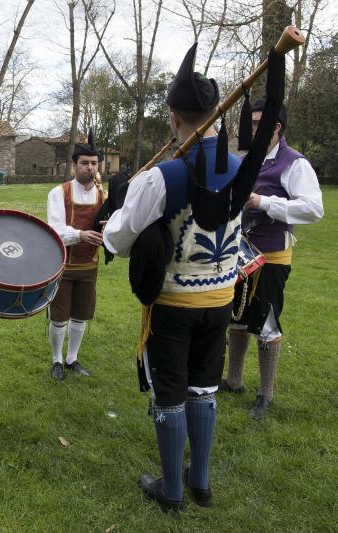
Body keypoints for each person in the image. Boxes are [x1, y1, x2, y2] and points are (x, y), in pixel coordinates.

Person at [103, 43, 285, 512]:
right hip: (220, 300)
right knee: (204, 387)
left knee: (170, 391)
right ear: (217, 115)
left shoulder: (162, 177)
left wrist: (124, 206)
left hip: (173, 304)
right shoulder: (243, 165)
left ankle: (171, 491)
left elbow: (118, 239)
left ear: (172, 117)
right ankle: (199, 482)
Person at [220, 99, 324, 420]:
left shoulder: (295, 164)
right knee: (237, 319)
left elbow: (313, 209)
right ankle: (234, 381)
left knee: (265, 323)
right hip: (239, 252)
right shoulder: (245, 160)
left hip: (272, 257)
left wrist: (263, 202)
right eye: (249, 124)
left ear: (275, 127)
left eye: (255, 125)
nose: (249, 131)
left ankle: (266, 394)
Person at [46, 129, 105, 381]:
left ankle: (72, 359)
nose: (89, 168)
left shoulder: (103, 194)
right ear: (74, 165)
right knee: (59, 317)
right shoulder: (59, 193)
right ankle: (57, 359)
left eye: (93, 163)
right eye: (84, 163)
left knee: (81, 315)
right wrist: (81, 235)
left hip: (89, 265)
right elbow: (55, 231)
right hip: (62, 266)